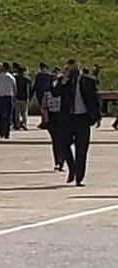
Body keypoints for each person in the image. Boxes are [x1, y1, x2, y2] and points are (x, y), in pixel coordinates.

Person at [52, 58, 101, 186]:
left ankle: (79, 177)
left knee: (82, 148)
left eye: (74, 68)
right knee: (63, 144)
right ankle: (72, 167)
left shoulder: (88, 81)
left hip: (83, 118)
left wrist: (97, 117)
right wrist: (63, 80)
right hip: (67, 117)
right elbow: (55, 93)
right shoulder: (64, 81)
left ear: (79, 68)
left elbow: (95, 100)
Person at [45, 70, 71, 172]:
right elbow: (44, 106)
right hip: (56, 116)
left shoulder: (63, 90)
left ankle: (60, 161)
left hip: (58, 116)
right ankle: (59, 162)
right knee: (58, 141)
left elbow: (44, 106)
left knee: (58, 141)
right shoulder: (52, 91)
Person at [0, 62, 17, 139]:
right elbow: (15, 89)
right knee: (8, 116)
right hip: (9, 97)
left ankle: (1, 131)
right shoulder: (12, 77)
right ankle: (7, 133)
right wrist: (14, 97)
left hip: (0, 97)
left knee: (0, 115)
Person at [14, 65, 31, 131]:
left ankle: (17, 125)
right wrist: (29, 97)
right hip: (24, 97)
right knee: (24, 112)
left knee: (17, 112)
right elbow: (28, 89)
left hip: (17, 97)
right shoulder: (27, 79)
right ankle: (24, 124)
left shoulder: (15, 78)